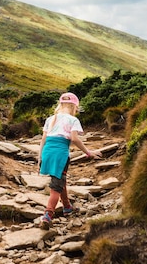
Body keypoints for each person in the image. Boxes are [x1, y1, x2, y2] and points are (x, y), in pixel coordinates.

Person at [38, 92, 102, 229]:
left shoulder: (50, 119)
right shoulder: (73, 120)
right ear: (75, 107)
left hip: (47, 151)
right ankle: (47, 215)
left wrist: (40, 156)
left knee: (60, 179)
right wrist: (88, 152)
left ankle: (67, 207)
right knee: (56, 186)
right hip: (60, 154)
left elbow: (43, 139)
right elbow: (74, 139)